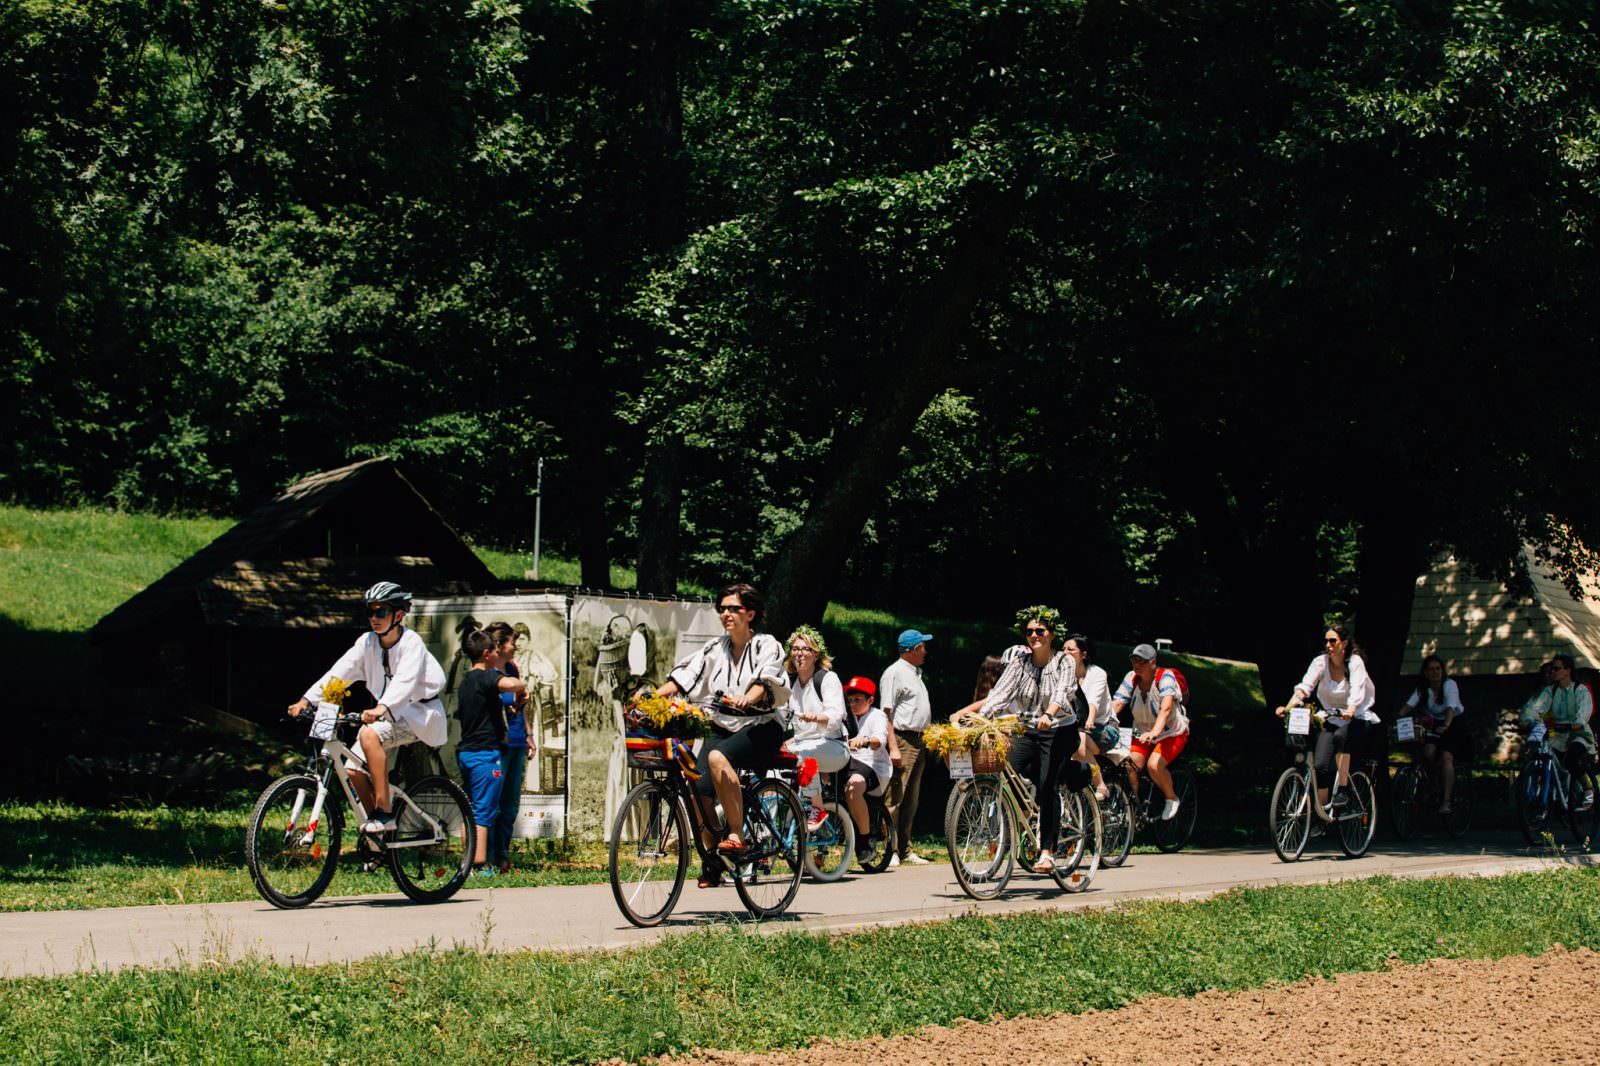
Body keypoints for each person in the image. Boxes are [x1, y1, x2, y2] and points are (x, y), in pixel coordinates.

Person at [654, 583, 789, 888]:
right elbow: (685, 676)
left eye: (733, 609)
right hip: (724, 724)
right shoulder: (715, 648)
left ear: (750, 614)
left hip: (762, 724)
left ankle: (737, 835)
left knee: (717, 757)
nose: (726, 614)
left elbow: (767, 681)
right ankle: (715, 858)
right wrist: (651, 698)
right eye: (723, 609)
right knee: (695, 785)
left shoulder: (767, 645)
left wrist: (749, 698)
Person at [288, 582, 448, 833]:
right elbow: (338, 674)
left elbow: (405, 682)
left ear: (398, 614)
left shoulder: (411, 643)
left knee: (367, 733)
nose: (374, 618)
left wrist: (381, 708)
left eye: (381, 612)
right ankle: (377, 837)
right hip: (389, 715)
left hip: (420, 714)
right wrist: (307, 700)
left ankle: (384, 812)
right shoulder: (367, 643)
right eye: (370, 612)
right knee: (351, 769)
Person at [981, 605, 1081, 873]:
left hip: (1060, 728)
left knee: (1048, 784)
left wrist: (1049, 713)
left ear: (1051, 634)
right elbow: (1000, 694)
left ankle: (1047, 851)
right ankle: (1021, 822)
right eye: (1029, 631)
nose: (1034, 635)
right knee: (1005, 766)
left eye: (1040, 630)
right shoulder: (1020, 663)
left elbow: (1063, 692)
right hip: (1030, 729)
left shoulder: (1064, 661)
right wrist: (981, 718)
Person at [1275, 623, 1377, 815]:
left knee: (1341, 738)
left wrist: (1352, 708)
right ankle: (1320, 812)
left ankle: (1344, 791)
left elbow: (1358, 689)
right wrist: (1287, 708)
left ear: (1344, 643)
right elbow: (1305, 688)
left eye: (1333, 641)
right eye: (1326, 641)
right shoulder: (1320, 662)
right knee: (1320, 764)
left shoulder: (1354, 662)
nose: (1328, 645)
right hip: (1332, 716)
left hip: (1357, 715)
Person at [455, 628, 528, 874]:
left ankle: (467, 862)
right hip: (485, 754)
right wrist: (521, 685)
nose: (498, 654)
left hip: (466, 752)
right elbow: (509, 683)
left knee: (472, 808)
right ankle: (480, 865)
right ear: (486, 654)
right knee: (484, 812)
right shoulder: (486, 677)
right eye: (495, 650)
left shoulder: (466, 681)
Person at [1111, 643, 1191, 820]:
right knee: (1129, 766)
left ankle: (1171, 798)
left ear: (1153, 662)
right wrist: (1099, 721)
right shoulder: (1131, 678)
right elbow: (1116, 704)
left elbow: (1166, 708)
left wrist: (1155, 732)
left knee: (1154, 766)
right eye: (1134, 660)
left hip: (1171, 732)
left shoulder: (1166, 678)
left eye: (1142, 661)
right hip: (1142, 732)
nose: (1137, 665)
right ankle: (1131, 810)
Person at [782, 625, 849, 832]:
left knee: (804, 756)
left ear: (816, 654)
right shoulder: (789, 682)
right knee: (771, 768)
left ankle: (817, 807)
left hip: (834, 746)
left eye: (805, 649)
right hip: (803, 744)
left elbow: (836, 716)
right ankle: (769, 833)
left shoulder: (827, 679)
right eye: (795, 649)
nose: (799, 654)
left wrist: (818, 718)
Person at [880, 628, 935, 867]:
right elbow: (886, 713)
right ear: (914, 650)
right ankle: (889, 849)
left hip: (919, 740)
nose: (925, 650)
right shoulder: (894, 673)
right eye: (923, 646)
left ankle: (905, 848)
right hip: (902, 739)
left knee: (912, 798)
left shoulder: (915, 673)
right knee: (895, 796)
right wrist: (893, 747)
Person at [486, 621, 537, 873]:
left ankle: (503, 855)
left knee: (510, 805)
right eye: (511, 642)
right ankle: (486, 857)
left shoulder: (512, 668)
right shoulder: (487, 672)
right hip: (498, 743)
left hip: (516, 739)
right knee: (492, 803)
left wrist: (528, 734)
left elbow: (519, 704)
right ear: (499, 645)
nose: (515, 646)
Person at [1519, 652, 1596, 810]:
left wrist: (1577, 723)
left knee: (1572, 760)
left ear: (1568, 670)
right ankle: (1547, 795)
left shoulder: (1579, 690)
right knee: (1543, 756)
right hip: (1557, 734)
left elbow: (1584, 711)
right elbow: (1536, 707)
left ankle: (1588, 789)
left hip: (1577, 734)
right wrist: (1529, 718)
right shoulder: (1550, 691)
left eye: (1556, 669)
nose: (1553, 672)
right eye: (1552, 669)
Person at [1402, 654, 1469, 815]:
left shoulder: (1449, 685)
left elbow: (1451, 707)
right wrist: (1396, 721)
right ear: (1425, 673)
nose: (1435, 673)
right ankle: (1435, 779)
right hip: (1434, 723)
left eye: (1438, 669)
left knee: (1447, 757)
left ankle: (1446, 801)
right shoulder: (1422, 689)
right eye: (1431, 669)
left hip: (1453, 722)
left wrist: (1446, 724)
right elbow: (1408, 706)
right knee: (1428, 751)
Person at [841, 676, 892, 864]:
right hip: (846, 762)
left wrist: (866, 740)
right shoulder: (845, 716)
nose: (852, 703)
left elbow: (880, 740)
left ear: (870, 700)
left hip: (872, 765)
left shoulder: (877, 715)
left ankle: (865, 838)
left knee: (853, 789)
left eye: (857, 699)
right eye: (850, 699)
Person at [1065, 634, 1116, 801]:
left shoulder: (1097, 674)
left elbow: (1093, 701)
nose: (1065, 652)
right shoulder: (1062, 674)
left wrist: (1088, 722)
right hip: (1072, 725)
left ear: (1083, 654)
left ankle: (1100, 784)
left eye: (1070, 650)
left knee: (1078, 742)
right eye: (1063, 649)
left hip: (1103, 728)